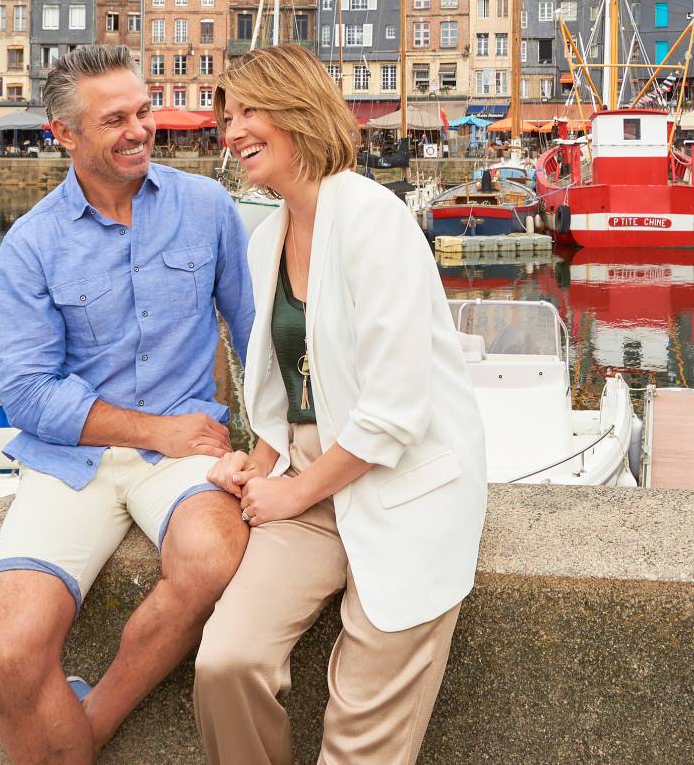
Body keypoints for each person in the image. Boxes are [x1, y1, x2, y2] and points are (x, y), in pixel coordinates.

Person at [196, 44, 487, 765]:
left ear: (301, 111)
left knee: (359, 736)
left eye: (251, 111)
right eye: (228, 116)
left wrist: (292, 493)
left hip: (399, 487)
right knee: (224, 663)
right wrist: (256, 464)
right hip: (307, 483)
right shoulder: (266, 237)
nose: (232, 132)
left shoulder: (373, 219)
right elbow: (280, 390)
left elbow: (394, 411)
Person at [0, 44, 254, 765]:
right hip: (74, 460)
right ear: (63, 134)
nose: (140, 130)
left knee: (212, 562)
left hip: (186, 457)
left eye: (144, 111)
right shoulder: (32, 244)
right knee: (8, 648)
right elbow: (29, 394)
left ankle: (87, 729)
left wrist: (281, 451)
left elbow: (258, 340)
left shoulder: (208, 208)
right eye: (115, 120)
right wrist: (156, 430)